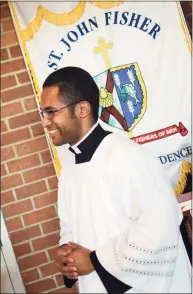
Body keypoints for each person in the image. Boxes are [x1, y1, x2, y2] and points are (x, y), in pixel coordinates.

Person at [40, 66, 191, 293]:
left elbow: (161, 226)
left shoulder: (127, 156)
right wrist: (66, 252)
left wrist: (95, 261)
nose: (45, 122)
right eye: (43, 113)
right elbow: (70, 226)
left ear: (82, 109)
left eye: (51, 112)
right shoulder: (70, 170)